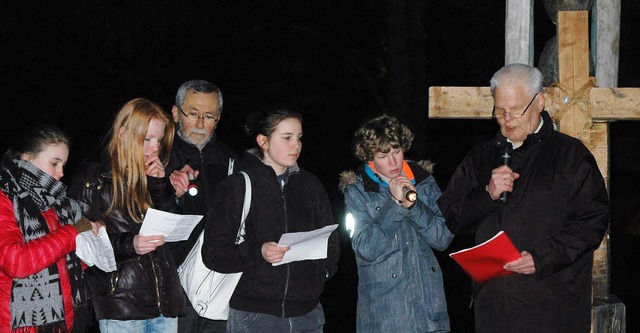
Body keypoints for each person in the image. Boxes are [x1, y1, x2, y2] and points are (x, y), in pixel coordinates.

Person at [437, 63, 609, 333]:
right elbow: (449, 217)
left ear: (539, 101)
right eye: (500, 111)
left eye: (516, 109)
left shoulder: (570, 155)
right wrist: (486, 195)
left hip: (552, 307)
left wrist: (542, 258)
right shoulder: (480, 158)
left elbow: (592, 220)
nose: (507, 119)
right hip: (494, 309)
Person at [202, 106, 340, 333]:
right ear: (263, 141)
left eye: (299, 138)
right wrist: (259, 251)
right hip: (254, 314)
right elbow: (214, 254)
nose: (296, 145)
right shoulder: (237, 185)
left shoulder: (311, 185)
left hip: (308, 313)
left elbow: (330, 239)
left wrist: (321, 274)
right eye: (287, 138)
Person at [69, 98, 187, 332]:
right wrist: (130, 244)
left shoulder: (152, 175)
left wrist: (160, 187)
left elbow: (170, 231)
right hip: (120, 305)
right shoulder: (94, 176)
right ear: (123, 133)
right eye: (147, 139)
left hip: (164, 302)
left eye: (159, 140)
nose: (155, 148)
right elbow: (79, 240)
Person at [339, 114, 454, 332]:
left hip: (431, 312)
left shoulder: (425, 182)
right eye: (383, 156)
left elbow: (443, 238)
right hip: (385, 316)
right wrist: (396, 205)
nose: (393, 162)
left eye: (397, 152)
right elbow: (365, 248)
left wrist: (412, 205)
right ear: (369, 157)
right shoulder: (356, 192)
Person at [0, 124, 100, 332]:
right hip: (20, 325)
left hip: (64, 321)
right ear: (27, 159)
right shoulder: (5, 199)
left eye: (64, 164)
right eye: (54, 163)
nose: (61, 173)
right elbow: (15, 262)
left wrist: (92, 241)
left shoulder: (60, 204)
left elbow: (63, 262)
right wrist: (73, 233)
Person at [165, 79, 237, 333]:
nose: (199, 124)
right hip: (171, 282)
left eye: (208, 117)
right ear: (175, 113)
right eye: (192, 114)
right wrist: (167, 190)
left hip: (219, 281)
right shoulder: (158, 156)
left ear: (218, 118)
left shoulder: (230, 159)